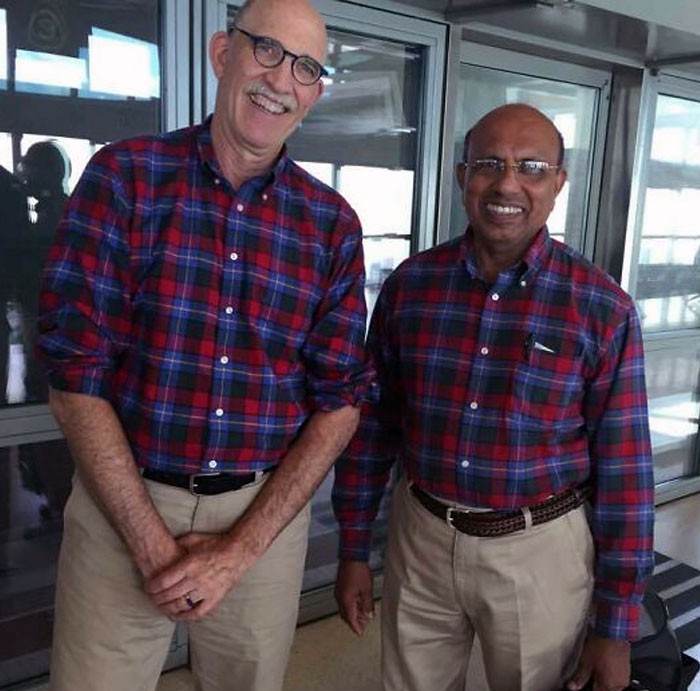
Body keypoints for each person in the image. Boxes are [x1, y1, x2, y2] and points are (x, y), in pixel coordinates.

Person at [36, 1, 375, 689]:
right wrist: (149, 540)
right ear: (224, 54)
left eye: (305, 67)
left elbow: (341, 402)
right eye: (268, 51)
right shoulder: (124, 178)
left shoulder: (331, 224)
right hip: (122, 505)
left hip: (261, 519)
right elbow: (74, 374)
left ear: (315, 93)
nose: (281, 79)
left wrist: (239, 549)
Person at [333, 104, 655, 691]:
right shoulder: (411, 287)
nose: (507, 183)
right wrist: (353, 546)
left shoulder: (602, 309)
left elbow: (627, 475)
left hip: (538, 550)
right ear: (462, 176)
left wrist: (615, 625)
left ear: (559, 183)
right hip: (421, 537)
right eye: (489, 164)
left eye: (531, 167)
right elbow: (373, 429)